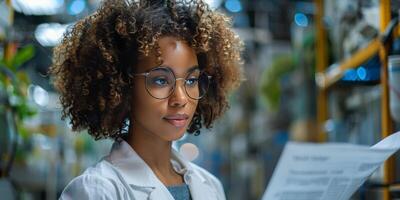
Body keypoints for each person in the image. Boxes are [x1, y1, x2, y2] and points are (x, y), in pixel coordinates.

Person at [50, 0, 243, 199]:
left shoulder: (211, 187)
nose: (181, 98)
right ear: (123, 86)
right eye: (160, 80)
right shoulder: (96, 190)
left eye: (191, 80)